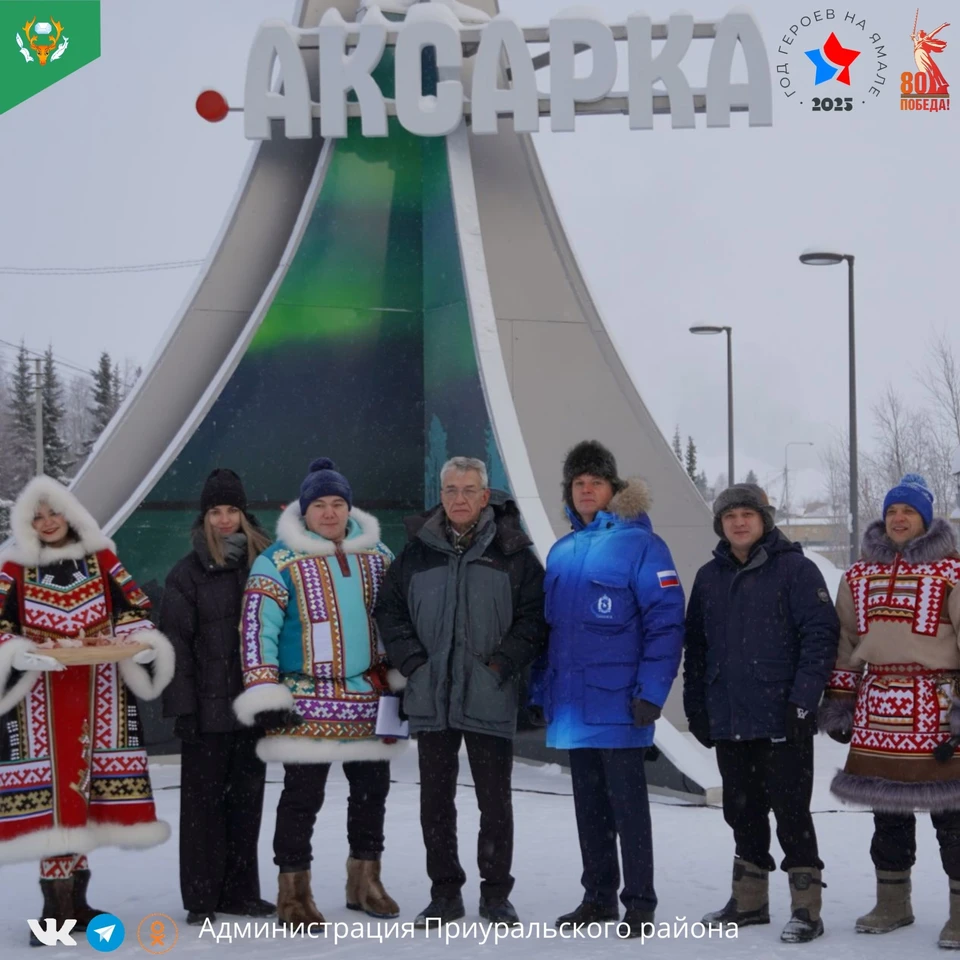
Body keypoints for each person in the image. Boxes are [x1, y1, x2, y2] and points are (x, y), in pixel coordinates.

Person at [0, 475, 174, 946]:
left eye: (53, 512)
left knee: (88, 791)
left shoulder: (102, 560)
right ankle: (53, 906)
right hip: (42, 699)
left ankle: (76, 900)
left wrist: (137, 643)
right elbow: (0, 623)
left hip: (101, 689)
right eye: (36, 516)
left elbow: (134, 608)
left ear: (69, 513)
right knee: (56, 793)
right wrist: (17, 652)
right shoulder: (14, 567)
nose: (47, 522)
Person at [232, 458, 405, 927]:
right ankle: (294, 894)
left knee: (372, 793)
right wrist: (265, 692)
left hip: (370, 697)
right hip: (305, 700)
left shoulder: (380, 556)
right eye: (320, 505)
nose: (329, 513)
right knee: (302, 798)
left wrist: (402, 676)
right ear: (303, 510)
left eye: (338, 503)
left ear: (349, 507)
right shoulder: (278, 561)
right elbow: (256, 632)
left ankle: (365, 882)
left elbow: (398, 622)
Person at [375, 456, 547, 928]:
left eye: (470, 489)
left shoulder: (512, 551)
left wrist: (501, 664)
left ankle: (495, 895)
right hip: (432, 695)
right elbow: (388, 611)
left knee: (494, 800)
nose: (460, 498)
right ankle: (444, 892)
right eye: (451, 489)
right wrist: (413, 662)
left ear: (486, 494)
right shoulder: (417, 551)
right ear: (442, 493)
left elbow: (536, 617)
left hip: (489, 693)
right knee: (436, 800)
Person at [529, 440, 685, 939]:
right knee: (589, 808)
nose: (587, 489)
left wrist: (652, 693)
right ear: (569, 493)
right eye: (578, 483)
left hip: (620, 705)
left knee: (628, 809)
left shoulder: (642, 546)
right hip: (574, 708)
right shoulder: (562, 551)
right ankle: (597, 897)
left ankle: (639, 901)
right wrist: (540, 694)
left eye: (596, 481)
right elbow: (550, 634)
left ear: (614, 489)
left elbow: (666, 624)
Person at [683, 483, 839, 944]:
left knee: (791, 813)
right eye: (730, 516)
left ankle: (806, 908)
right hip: (730, 718)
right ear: (720, 525)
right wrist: (697, 704)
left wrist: (803, 700)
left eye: (748, 514)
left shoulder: (796, 569)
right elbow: (697, 647)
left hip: (782, 719)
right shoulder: (708, 577)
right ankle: (749, 901)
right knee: (741, 811)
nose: (739, 522)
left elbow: (820, 638)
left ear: (764, 520)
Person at [819, 474, 960, 949]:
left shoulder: (952, 572)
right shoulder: (858, 576)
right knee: (888, 812)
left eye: (909, 512)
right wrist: (840, 703)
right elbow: (845, 643)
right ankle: (892, 902)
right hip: (878, 706)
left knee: (952, 816)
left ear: (925, 519)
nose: (899, 519)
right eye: (893, 511)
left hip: (938, 706)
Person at [160, 469, 275, 926]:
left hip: (252, 706)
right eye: (215, 511)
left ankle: (241, 892)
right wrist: (183, 708)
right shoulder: (186, 574)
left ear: (244, 515)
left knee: (247, 802)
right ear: (204, 517)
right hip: (205, 711)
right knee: (202, 808)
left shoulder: (266, 563)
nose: (224, 519)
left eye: (232, 510)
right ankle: (202, 897)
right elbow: (175, 648)